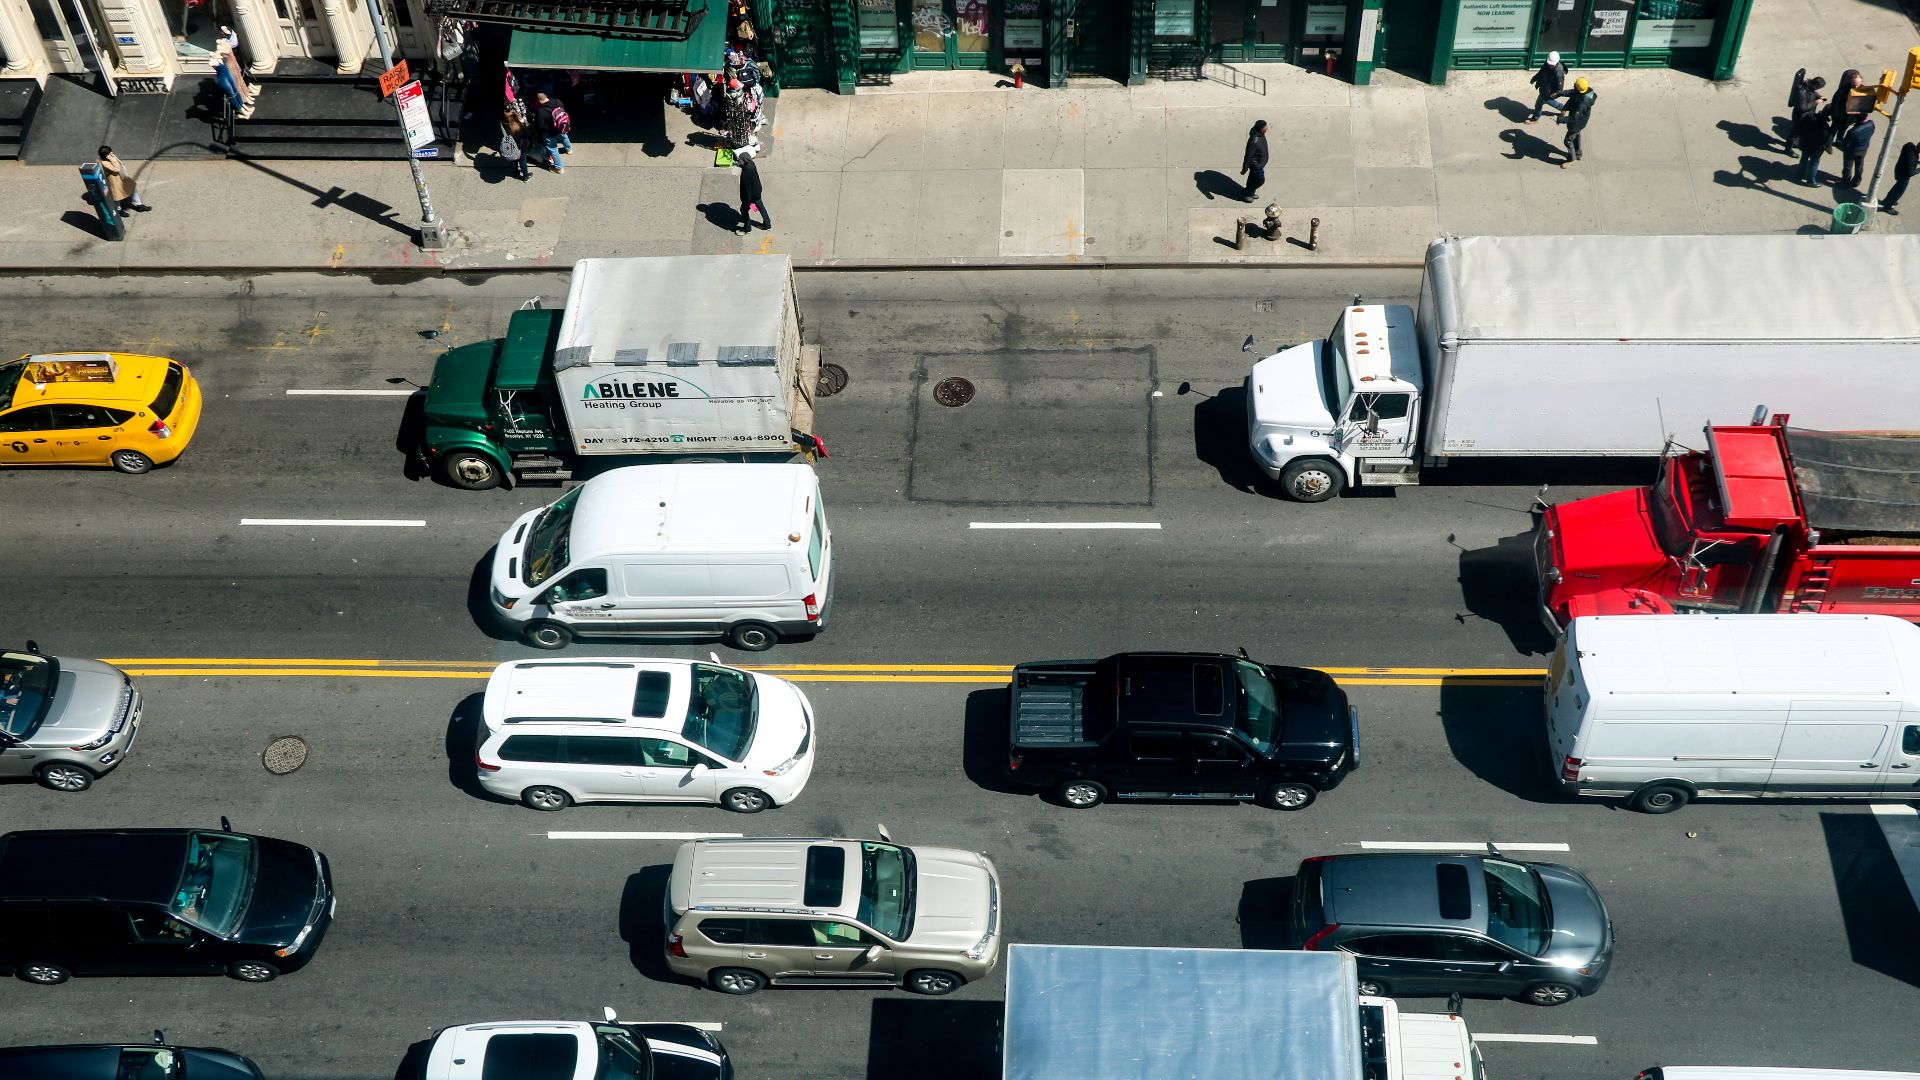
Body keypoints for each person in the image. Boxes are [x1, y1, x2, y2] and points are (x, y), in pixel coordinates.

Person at [1553, 77, 1596, 169]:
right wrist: (1560, 93)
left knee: (1568, 140)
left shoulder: (1582, 103)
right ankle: (1578, 153)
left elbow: (1574, 118)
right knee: (1576, 135)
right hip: (1582, 122)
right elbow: (1572, 92)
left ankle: (1572, 159)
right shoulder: (1587, 91)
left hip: (1577, 123)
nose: (1574, 86)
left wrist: (1560, 119)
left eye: (1575, 86)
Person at [97, 146, 150, 213]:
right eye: (110, 152)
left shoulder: (110, 157)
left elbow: (119, 164)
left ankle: (139, 205)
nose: (112, 153)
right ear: (106, 155)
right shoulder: (104, 163)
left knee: (132, 189)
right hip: (114, 181)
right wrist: (112, 158)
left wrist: (112, 157)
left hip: (121, 177)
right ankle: (119, 209)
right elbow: (117, 169)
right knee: (117, 196)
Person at [1785, 74, 1824, 154]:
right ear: (1815, 85)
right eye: (1818, 88)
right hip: (1800, 117)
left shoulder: (1809, 87)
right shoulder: (1802, 91)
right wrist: (1816, 102)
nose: (1817, 89)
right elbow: (1802, 108)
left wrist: (1819, 96)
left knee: (1800, 132)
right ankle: (1788, 149)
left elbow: (1812, 93)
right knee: (1794, 133)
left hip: (1806, 116)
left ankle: (1794, 144)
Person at [1525, 51, 1567, 123]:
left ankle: (1535, 118)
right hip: (1544, 89)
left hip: (1549, 93)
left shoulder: (1559, 72)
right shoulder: (1547, 64)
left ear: (1556, 62)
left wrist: (1554, 94)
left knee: (1539, 104)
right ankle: (1563, 108)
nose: (1550, 66)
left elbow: (1560, 88)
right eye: (1549, 64)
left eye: (1551, 65)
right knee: (1544, 102)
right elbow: (1540, 73)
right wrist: (1534, 79)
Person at [532, 91, 570, 173]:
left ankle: (559, 168)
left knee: (553, 149)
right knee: (564, 136)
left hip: (550, 133)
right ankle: (569, 149)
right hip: (561, 127)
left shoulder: (541, 111)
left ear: (539, 101)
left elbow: (539, 126)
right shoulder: (557, 101)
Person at [1795, 103, 1830, 185]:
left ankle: (1799, 177)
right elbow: (1824, 139)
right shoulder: (1825, 126)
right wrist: (1825, 147)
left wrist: (1801, 137)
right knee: (1814, 163)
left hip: (1805, 143)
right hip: (1816, 148)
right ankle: (1811, 181)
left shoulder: (1809, 117)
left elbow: (1800, 128)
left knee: (1803, 160)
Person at [1837, 115, 1874, 189]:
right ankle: (1857, 181)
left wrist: (1839, 145)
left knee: (1848, 167)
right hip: (1863, 149)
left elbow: (1845, 145)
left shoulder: (1852, 131)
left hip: (1852, 151)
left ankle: (1845, 183)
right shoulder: (1871, 124)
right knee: (1859, 165)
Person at [1881, 139, 1918, 213]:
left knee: (1896, 187)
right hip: (1904, 176)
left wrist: (1917, 161)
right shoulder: (1912, 157)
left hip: (1898, 170)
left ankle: (1886, 200)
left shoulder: (1909, 145)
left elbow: (1908, 160)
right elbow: (1910, 172)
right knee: (1898, 192)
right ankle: (1888, 207)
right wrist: (1918, 170)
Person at [736, 153, 770, 232]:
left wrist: (747, 201)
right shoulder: (751, 165)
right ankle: (767, 224)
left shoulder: (746, 173)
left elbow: (747, 189)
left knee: (743, 210)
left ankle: (747, 228)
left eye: (740, 159)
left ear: (744, 160)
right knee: (761, 207)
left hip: (750, 196)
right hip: (757, 192)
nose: (738, 160)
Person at [1240, 120, 1269, 203]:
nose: (1267, 128)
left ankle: (1250, 192)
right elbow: (1248, 156)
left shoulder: (1261, 134)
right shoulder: (1254, 141)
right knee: (1260, 180)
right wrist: (1244, 169)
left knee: (1252, 180)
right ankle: (1246, 193)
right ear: (1261, 129)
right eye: (1265, 127)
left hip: (1259, 164)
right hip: (1256, 166)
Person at [501, 108, 532, 182]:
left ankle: (515, 173)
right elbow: (527, 135)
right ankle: (525, 176)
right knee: (522, 160)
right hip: (521, 147)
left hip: (510, 147)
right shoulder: (520, 126)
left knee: (513, 160)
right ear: (515, 116)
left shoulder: (502, 124)